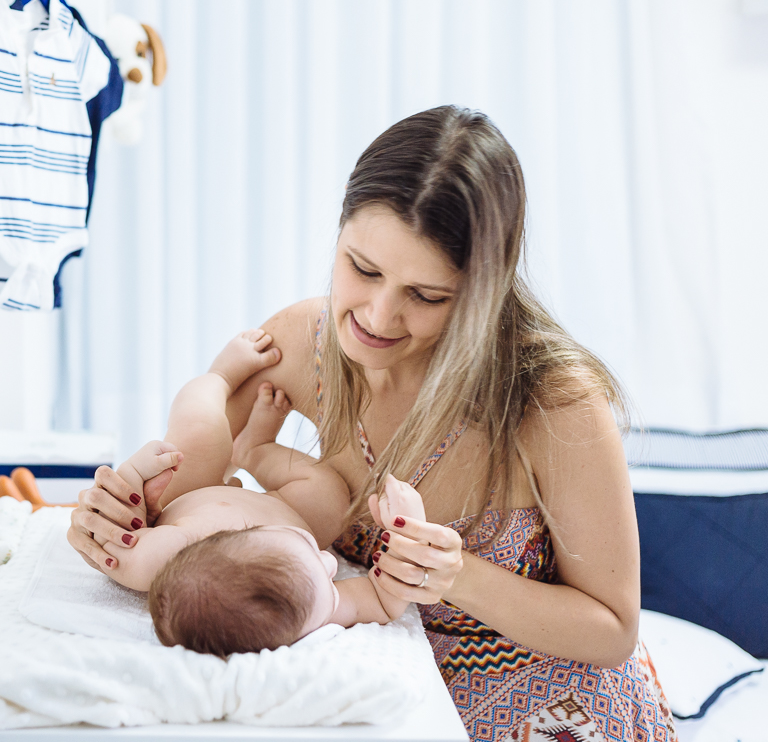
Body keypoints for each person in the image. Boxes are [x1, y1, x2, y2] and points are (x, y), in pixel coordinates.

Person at [69, 106, 676, 742]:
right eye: (363, 269)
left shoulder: (551, 401)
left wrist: (455, 575)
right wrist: (119, 517)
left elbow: (613, 630)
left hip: (548, 707)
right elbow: (193, 503)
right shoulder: (299, 345)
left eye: (427, 296)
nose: (379, 317)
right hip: (374, 705)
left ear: (484, 292)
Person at [91, 329, 425, 656]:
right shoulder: (315, 608)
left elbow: (117, 533)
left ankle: (220, 378)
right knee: (330, 499)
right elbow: (383, 601)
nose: (330, 562)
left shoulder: (160, 557)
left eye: (313, 554)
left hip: (193, 494)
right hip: (282, 508)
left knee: (200, 430)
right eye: (328, 576)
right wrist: (408, 534)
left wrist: (134, 475)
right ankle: (255, 450)